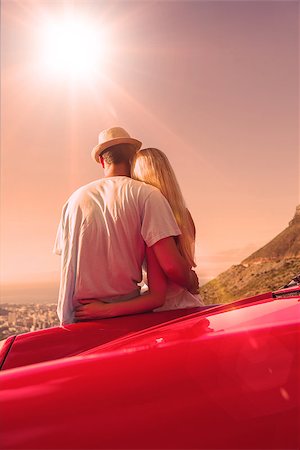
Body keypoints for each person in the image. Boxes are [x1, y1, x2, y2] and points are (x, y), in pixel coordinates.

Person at [54, 126, 198, 325]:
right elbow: (170, 266)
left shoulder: (74, 200)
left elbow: (67, 254)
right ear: (132, 158)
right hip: (125, 317)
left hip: (77, 317)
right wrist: (191, 279)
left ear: (102, 160)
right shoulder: (147, 195)